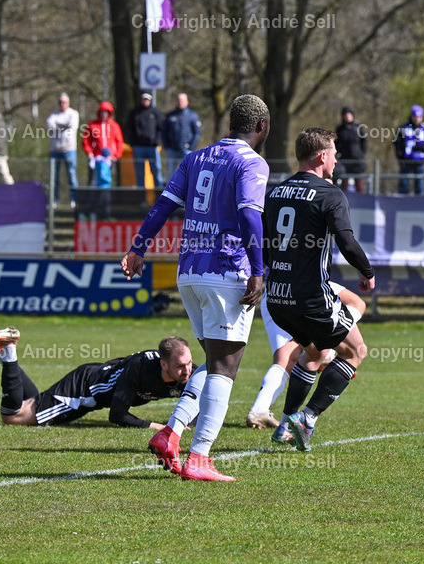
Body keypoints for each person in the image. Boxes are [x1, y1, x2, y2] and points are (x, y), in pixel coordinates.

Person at [125, 94, 270, 482]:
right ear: (262, 127)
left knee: (214, 359)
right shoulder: (252, 162)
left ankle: (170, 433)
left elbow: (163, 205)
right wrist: (257, 270)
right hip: (226, 271)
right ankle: (200, 457)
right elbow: (250, 217)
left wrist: (138, 248)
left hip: (189, 270)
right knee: (226, 366)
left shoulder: (196, 157)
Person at [264, 127, 376, 452]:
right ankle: (307, 418)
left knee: (313, 355)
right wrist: (367, 272)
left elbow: (263, 245)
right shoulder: (330, 194)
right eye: (334, 155)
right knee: (355, 351)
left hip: (277, 298)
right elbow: (347, 242)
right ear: (322, 156)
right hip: (311, 298)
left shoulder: (276, 192)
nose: (336, 161)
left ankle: (285, 425)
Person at [0, 327, 196, 428]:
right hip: (81, 391)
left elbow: (203, 399)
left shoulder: (189, 372)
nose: (186, 371)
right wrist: (157, 426)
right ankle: (9, 352)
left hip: (91, 376)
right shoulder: (140, 369)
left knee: (34, 401)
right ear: (163, 364)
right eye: (179, 367)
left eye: (188, 364)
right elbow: (117, 415)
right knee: (14, 417)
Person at [246, 284, 364, 433]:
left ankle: (261, 410)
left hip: (275, 291)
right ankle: (326, 349)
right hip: (308, 286)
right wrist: (367, 273)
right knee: (357, 304)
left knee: (286, 359)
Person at [82, 101, 123, 209]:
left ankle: (106, 208)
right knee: (93, 182)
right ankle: (91, 208)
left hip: (109, 161)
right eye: (102, 112)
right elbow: (85, 141)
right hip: (96, 160)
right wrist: (89, 152)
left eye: (106, 112)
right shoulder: (92, 125)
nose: (104, 114)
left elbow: (119, 142)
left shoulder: (114, 126)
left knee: (106, 182)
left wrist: (115, 156)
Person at [124, 92, 163, 197]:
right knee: (140, 174)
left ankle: (159, 198)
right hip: (138, 148)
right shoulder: (135, 112)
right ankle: (141, 199)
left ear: (150, 100)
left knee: (156, 172)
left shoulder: (155, 112)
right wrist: (133, 143)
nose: (145, 101)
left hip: (152, 148)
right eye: (144, 99)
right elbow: (129, 128)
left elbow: (160, 129)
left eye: (147, 99)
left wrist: (157, 142)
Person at [47, 93, 80, 206]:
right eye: (60, 102)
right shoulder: (53, 115)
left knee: (72, 174)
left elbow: (72, 127)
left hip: (69, 149)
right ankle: (55, 200)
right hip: (55, 150)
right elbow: (51, 127)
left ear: (68, 103)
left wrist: (59, 126)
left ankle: (74, 199)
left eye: (64, 102)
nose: (62, 104)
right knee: (54, 176)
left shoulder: (73, 114)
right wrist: (64, 126)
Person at [162, 93, 201, 185]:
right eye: (179, 100)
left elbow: (197, 133)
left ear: (187, 102)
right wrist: (167, 146)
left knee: (187, 174)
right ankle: (170, 192)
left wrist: (191, 146)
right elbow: (164, 132)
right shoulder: (170, 115)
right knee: (170, 174)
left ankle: (186, 192)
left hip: (186, 150)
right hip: (172, 150)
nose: (180, 102)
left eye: (182, 100)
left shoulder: (192, 115)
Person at [394, 105, 424, 195]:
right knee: (404, 183)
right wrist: (400, 157)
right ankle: (402, 200)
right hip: (406, 161)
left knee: (419, 183)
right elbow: (397, 144)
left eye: (419, 117)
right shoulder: (402, 129)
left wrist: (421, 148)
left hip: (420, 162)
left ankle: (419, 201)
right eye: (415, 116)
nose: (416, 119)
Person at [334, 106, 367, 192]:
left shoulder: (358, 127)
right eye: (345, 115)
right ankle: (343, 198)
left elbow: (364, 142)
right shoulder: (340, 129)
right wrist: (338, 154)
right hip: (345, 159)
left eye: (349, 114)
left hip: (357, 159)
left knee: (359, 182)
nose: (347, 116)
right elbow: (336, 143)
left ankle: (361, 198)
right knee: (344, 182)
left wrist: (361, 153)